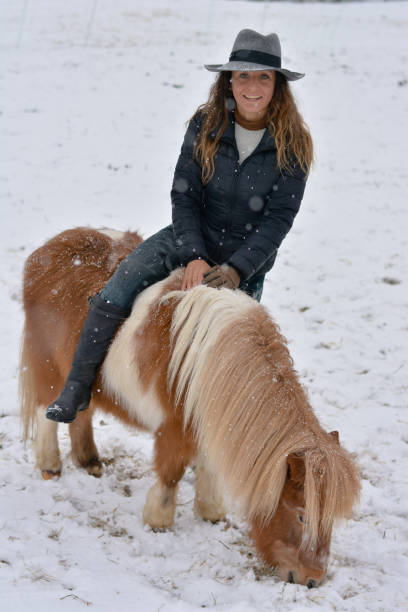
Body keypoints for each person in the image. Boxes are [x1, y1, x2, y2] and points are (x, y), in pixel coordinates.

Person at [46, 29, 313, 424]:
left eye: (263, 77)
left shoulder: (294, 143)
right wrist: (193, 254)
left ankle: (217, 427)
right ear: (228, 81)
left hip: (246, 257)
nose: (251, 86)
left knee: (236, 343)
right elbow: (184, 193)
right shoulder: (205, 124)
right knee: (123, 280)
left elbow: (278, 220)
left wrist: (237, 269)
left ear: (277, 86)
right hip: (189, 235)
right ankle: (77, 387)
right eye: (242, 76)